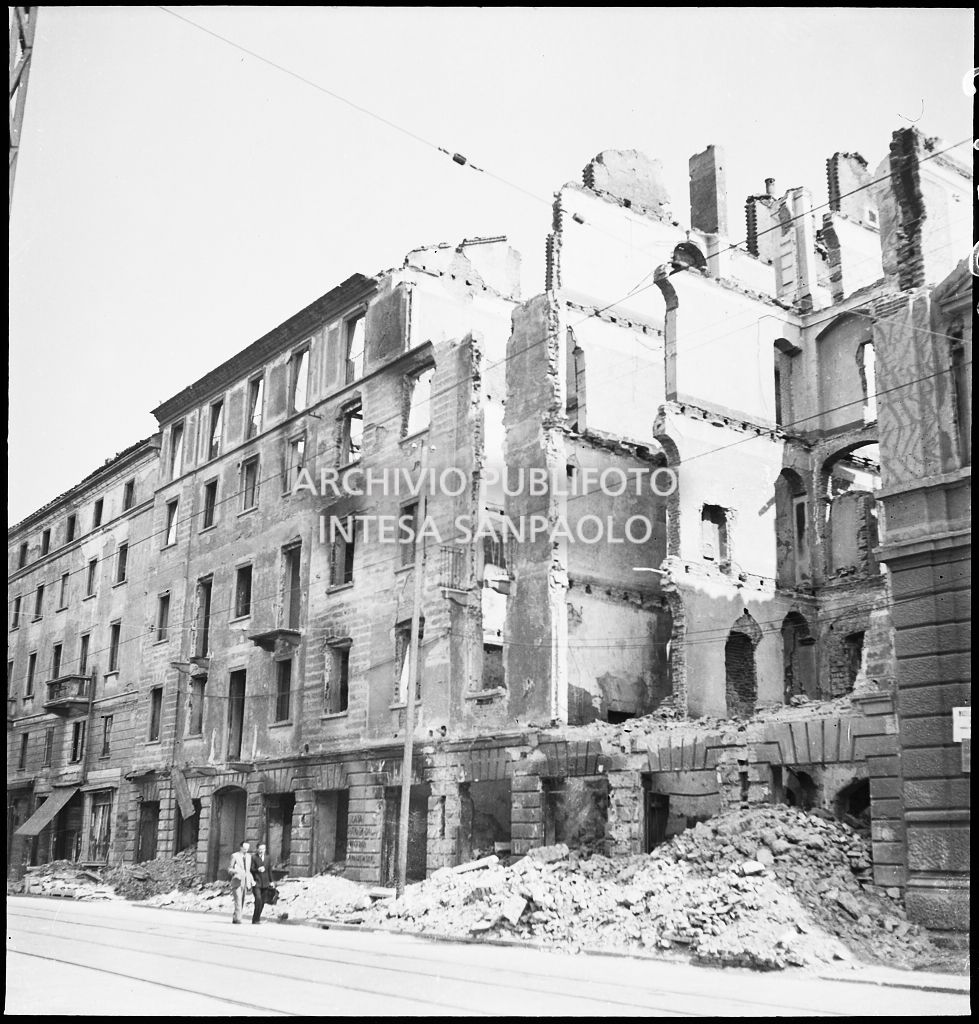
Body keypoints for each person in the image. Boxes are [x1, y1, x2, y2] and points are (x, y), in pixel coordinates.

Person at [250, 842, 276, 924]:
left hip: (265, 883)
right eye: (260, 849)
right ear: (257, 849)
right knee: (258, 899)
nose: (262, 851)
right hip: (256, 882)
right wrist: (257, 869)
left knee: (262, 901)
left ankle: (257, 919)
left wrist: (271, 881)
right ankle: (255, 918)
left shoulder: (268, 857)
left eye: (263, 849)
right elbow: (251, 869)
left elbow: (269, 870)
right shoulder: (253, 857)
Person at [229, 840, 252, 924]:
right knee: (238, 900)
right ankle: (239, 919)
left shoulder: (249, 857)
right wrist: (236, 872)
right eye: (244, 848)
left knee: (242, 900)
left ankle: (235, 917)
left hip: (245, 881)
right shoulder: (234, 856)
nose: (246, 850)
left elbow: (248, 870)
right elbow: (229, 869)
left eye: (247, 849)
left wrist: (250, 881)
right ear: (241, 847)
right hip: (237, 881)